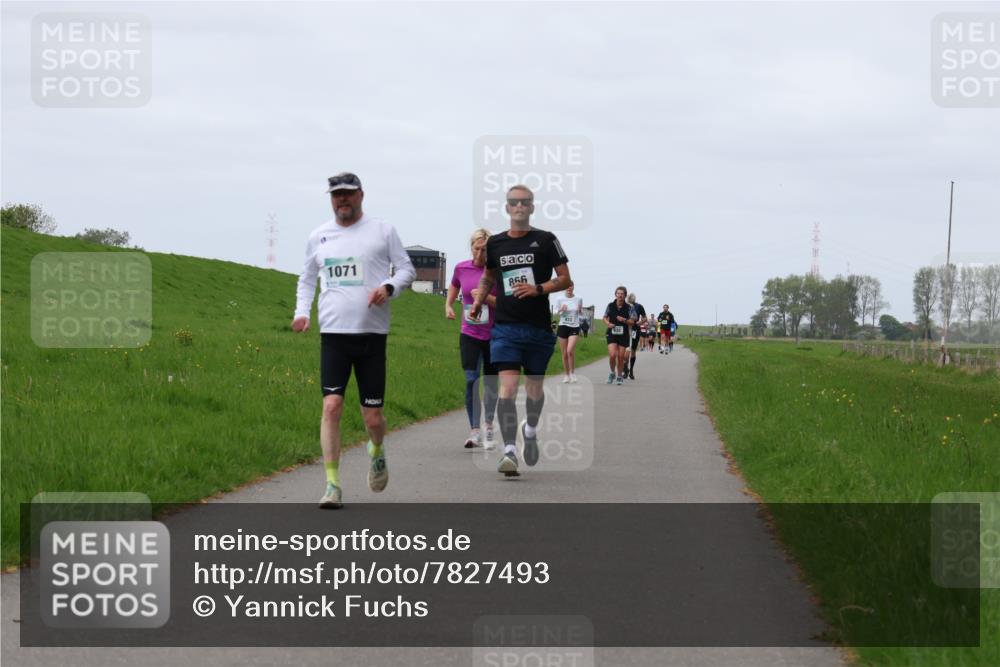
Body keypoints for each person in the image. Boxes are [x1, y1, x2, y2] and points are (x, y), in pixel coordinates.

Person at [292, 172, 416, 509]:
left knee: (372, 417)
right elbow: (307, 279)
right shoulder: (319, 236)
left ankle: (376, 449)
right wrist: (302, 311)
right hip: (333, 334)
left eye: (347, 193)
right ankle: (332, 484)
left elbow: (407, 269)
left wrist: (390, 287)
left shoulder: (382, 230)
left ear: (361, 194)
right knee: (331, 406)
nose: (341, 200)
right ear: (330, 198)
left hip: (372, 336)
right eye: (335, 195)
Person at [469, 185, 571, 477]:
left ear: (532, 207)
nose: (519, 207)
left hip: (538, 329)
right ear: (507, 208)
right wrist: (478, 301)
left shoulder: (546, 240)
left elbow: (564, 279)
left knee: (535, 392)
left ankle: (531, 428)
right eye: (514, 202)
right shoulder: (496, 244)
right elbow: (488, 276)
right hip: (506, 329)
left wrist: (538, 288)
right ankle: (510, 451)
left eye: (525, 202)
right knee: (509, 389)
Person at [446, 228, 498, 449]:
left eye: (484, 249)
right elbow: (455, 285)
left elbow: (507, 303)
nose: (480, 253)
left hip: (494, 333)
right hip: (469, 332)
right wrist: (448, 304)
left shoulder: (496, 271)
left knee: (490, 382)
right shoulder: (461, 267)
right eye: (477, 249)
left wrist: (487, 297)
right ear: (471, 248)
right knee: (471, 379)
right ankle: (474, 430)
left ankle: (488, 426)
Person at [603, 286, 636, 386]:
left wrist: (624, 320)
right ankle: (612, 373)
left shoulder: (629, 307)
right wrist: (608, 323)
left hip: (623, 334)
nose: (620, 295)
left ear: (625, 295)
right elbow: (604, 317)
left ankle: (619, 376)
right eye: (618, 293)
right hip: (612, 333)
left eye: (622, 293)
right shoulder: (610, 305)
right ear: (615, 294)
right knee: (612, 355)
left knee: (621, 357)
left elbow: (633, 321)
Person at [555, 283, 583, 383]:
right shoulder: (559, 298)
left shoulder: (578, 298)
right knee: (564, 354)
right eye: (567, 286)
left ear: (573, 287)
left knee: (570, 351)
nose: (569, 288)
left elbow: (580, 313)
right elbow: (555, 311)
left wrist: (580, 310)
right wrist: (561, 309)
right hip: (563, 326)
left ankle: (572, 373)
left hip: (574, 326)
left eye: (570, 286)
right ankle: (566, 375)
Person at [625, 292, 647, 380]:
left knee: (633, 350)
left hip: (635, 330)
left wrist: (640, 322)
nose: (630, 300)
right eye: (629, 299)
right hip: (626, 330)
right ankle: (625, 368)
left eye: (632, 299)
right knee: (625, 349)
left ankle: (631, 370)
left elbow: (645, 317)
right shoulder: (624, 306)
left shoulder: (639, 306)